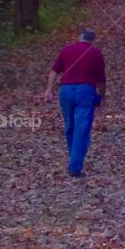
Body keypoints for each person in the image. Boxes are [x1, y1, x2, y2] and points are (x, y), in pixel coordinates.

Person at [44, 28, 106, 177]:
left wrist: (49, 90)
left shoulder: (67, 50)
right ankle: (75, 166)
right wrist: (100, 97)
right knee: (82, 128)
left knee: (70, 126)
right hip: (85, 91)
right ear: (92, 40)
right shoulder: (96, 54)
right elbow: (101, 81)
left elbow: (54, 71)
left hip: (65, 90)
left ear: (80, 37)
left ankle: (74, 159)